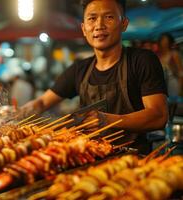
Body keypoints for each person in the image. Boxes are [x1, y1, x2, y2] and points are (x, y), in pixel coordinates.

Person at [20, 0, 168, 154]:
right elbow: (43, 102)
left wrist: (107, 120)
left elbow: (159, 115)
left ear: (124, 23)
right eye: (92, 18)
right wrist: (19, 112)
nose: (99, 25)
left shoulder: (142, 61)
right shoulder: (80, 69)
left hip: (134, 159)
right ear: (84, 28)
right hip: (90, 158)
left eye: (109, 17)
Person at [157, 33, 183, 97]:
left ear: (169, 43)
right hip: (161, 85)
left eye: (166, 41)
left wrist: (180, 88)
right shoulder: (158, 55)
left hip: (172, 83)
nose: (164, 43)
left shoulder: (174, 55)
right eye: (162, 41)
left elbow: (181, 72)